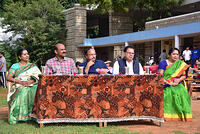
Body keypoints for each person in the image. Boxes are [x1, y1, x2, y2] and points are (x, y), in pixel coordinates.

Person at [6, 48, 41, 124]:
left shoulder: (32, 66)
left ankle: (34, 115)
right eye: (24, 54)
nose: (27, 56)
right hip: (19, 84)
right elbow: (8, 77)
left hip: (31, 83)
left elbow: (39, 76)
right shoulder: (15, 66)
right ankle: (22, 116)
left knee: (35, 89)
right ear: (19, 57)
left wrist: (31, 81)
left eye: (27, 54)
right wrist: (20, 82)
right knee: (23, 90)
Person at [158, 48, 192, 121]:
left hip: (177, 84)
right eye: (173, 54)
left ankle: (180, 115)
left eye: (177, 54)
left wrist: (178, 80)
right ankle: (167, 115)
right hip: (166, 84)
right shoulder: (163, 63)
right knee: (168, 94)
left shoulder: (180, 64)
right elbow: (160, 76)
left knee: (182, 93)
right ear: (169, 55)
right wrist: (168, 82)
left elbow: (184, 76)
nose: (175, 56)